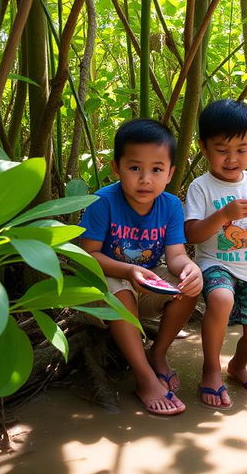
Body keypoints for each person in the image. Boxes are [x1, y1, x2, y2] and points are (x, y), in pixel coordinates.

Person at [80, 118, 202, 416]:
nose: (146, 178)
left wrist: (190, 268)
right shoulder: (102, 202)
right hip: (101, 294)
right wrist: (128, 271)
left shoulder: (171, 205)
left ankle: (157, 355)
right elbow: (87, 255)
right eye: (135, 168)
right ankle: (145, 377)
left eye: (157, 169)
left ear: (171, 172)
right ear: (116, 168)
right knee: (119, 289)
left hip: (142, 286)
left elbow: (175, 255)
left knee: (188, 286)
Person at [184, 99, 247, 408]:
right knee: (221, 299)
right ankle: (211, 369)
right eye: (222, 150)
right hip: (215, 264)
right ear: (204, 147)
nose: (232, 158)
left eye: (241, 149)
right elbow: (192, 234)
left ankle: (237, 366)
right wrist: (223, 215)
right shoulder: (201, 187)